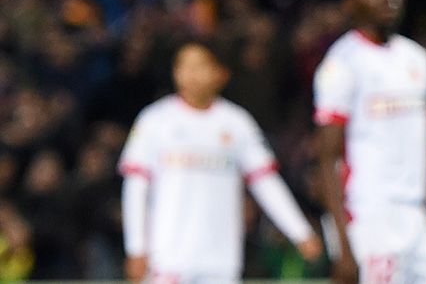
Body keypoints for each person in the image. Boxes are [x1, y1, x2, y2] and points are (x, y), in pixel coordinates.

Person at [118, 43, 321, 283]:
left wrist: (300, 232)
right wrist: (136, 247)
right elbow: (135, 188)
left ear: (220, 74)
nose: (190, 73)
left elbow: (265, 182)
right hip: (167, 256)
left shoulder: (237, 123)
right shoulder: (155, 120)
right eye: (183, 66)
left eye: (199, 65)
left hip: (221, 258)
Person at [313, 0, 426, 284]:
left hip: (416, 217)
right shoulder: (341, 64)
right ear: (351, 2)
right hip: (369, 216)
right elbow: (327, 159)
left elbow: (422, 157)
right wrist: (344, 247)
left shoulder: (418, 60)